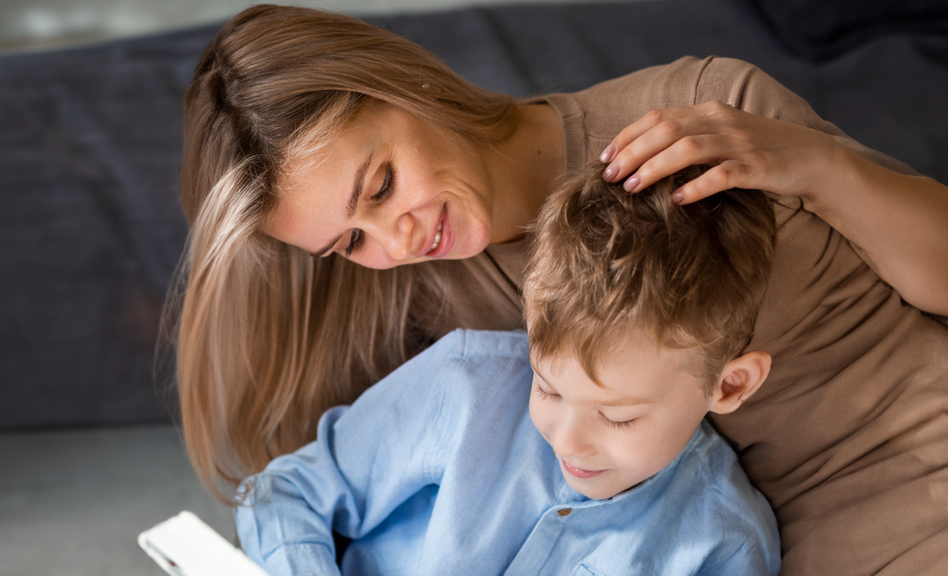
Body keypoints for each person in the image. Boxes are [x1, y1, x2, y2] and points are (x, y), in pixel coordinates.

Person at [174, 4, 948, 574]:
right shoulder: (438, 307)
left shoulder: (707, 110)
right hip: (780, 544)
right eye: (349, 242)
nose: (397, 241)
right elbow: (328, 487)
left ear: (405, 85)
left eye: (379, 185)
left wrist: (818, 165)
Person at [235, 165, 781, 576]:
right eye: (546, 387)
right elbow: (287, 493)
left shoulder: (725, 545)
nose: (565, 441)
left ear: (729, 384)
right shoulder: (469, 382)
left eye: (616, 417)